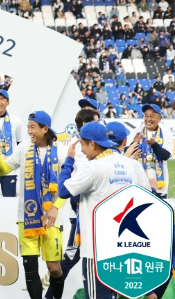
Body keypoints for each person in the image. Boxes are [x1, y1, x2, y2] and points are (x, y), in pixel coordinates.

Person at [58, 122, 152, 299]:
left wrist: (69, 161)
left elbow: (63, 190)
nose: (83, 152)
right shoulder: (131, 165)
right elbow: (146, 197)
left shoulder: (93, 167)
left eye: (83, 146)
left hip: (95, 252)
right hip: (121, 248)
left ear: (92, 144)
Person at [0, 111, 68, 299]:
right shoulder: (24, 147)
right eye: (28, 127)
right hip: (27, 216)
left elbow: (68, 186)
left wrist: (56, 207)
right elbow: (4, 170)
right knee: (30, 267)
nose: (29, 131)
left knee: (54, 268)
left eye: (33, 127)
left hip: (52, 218)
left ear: (45, 128)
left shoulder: (61, 151)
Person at [128, 104, 172, 199]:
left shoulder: (165, 134)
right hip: (139, 183)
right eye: (146, 116)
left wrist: (154, 145)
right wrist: (134, 143)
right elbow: (127, 156)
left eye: (152, 116)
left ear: (160, 118)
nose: (148, 119)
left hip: (160, 185)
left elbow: (166, 156)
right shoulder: (136, 132)